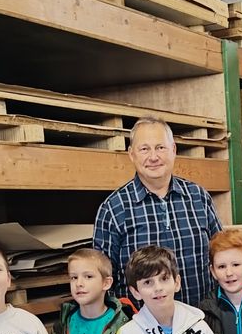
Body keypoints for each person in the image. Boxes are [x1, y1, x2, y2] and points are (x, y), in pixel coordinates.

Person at [94, 117, 223, 307]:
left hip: (203, 318)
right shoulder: (114, 208)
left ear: (174, 150)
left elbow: (221, 255)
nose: (153, 157)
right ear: (131, 154)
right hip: (141, 323)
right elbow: (103, 279)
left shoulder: (199, 197)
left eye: (160, 147)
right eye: (144, 149)